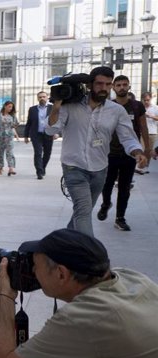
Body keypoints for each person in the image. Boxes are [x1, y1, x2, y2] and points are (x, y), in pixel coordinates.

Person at [0, 228, 158, 358]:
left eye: (35, 266)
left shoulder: (83, 321)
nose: (32, 271)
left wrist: (6, 294)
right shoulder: (131, 278)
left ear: (61, 274)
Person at [45, 66, 147, 237]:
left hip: (100, 170)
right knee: (84, 211)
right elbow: (50, 130)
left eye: (108, 84)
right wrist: (56, 108)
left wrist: (137, 152)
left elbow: (128, 137)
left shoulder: (116, 111)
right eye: (99, 84)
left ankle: (64, 245)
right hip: (73, 168)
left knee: (81, 212)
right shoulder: (70, 106)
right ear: (90, 85)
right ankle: (92, 257)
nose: (104, 88)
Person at [96, 75, 151, 232]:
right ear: (113, 87)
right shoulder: (108, 106)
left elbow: (143, 127)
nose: (121, 87)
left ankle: (120, 218)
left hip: (130, 154)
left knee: (124, 187)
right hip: (109, 153)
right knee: (106, 185)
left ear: (129, 86)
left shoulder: (137, 106)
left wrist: (146, 149)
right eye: (118, 85)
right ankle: (106, 203)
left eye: (124, 84)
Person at [24, 91, 54, 180]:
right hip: (36, 135)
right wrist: (26, 136)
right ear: (37, 98)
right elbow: (28, 123)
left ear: (47, 97)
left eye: (44, 97)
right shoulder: (32, 109)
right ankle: (39, 172)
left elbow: (57, 121)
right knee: (38, 153)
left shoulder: (52, 108)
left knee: (47, 153)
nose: (42, 98)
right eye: (40, 97)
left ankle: (43, 167)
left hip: (48, 134)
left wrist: (56, 132)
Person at [0, 101, 19, 176]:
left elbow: (15, 125)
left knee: (10, 152)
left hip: (9, 136)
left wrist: (14, 131)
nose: (11, 108)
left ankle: (11, 168)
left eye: (12, 107)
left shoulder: (13, 116)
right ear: (5, 106)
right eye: (9, 106)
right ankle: (0, 168)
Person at [140, 92, 158, 174]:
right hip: (142, 132)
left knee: (151, 150)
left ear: (150, 99)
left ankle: (148, 167)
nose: (146, 102)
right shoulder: (140, 107)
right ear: (142, 100)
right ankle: (141, 166)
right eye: (145, 100)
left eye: (148, 100)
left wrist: (150, 116)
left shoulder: (155, 107)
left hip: (153, 132)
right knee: (142, 149)